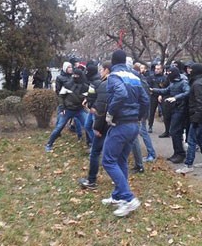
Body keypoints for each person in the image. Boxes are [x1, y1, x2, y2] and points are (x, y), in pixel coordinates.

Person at [101, 49, 149, 217]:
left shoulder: (114, 76)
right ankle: (118, 196)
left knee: (108, 161)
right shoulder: (135, 77)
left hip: (120, 124)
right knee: (121, 160)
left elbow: (120, 93)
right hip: (133, 125)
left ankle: (129, 199)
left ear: (113, 62)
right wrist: (139, 115)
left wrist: (110, 113)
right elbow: (145, 100)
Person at [78, 61, 111, 190]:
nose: (101, 71)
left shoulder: (104, 85)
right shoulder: (120, 83)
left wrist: (97, 127)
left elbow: (101, 109)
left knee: (95, 152)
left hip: (104, 124)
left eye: (102, 69)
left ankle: (91, 181)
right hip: (117, 124)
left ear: (107, 70)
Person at [176, 63, 202, 174]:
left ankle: (188, 164)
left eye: (191, 70)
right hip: (200, 116)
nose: (189, 71)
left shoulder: (197, 84)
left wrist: (196, 118)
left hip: (199, 117)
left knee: (191, 140)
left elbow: (201, 103)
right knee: (200, 138)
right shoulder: (198, 82)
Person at [150, 66, 190, 164]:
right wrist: (153, 90)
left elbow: (188, 92)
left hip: (180, 110)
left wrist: (176, 98)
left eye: (170, 73)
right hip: (174, 109)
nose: (168, 74)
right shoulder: (173, 83)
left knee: (175, 131)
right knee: (174, 132)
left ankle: (180, 154)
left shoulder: (183, 82)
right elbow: (166, 91)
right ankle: (177, 152)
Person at [45, 68, 88, 152]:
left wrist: (86, 100)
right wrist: (62, 108)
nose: (75, 77)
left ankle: (91, 144)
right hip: (67, 110)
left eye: (77, 75)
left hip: (79, 110)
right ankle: (49, 144)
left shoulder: (85, 87)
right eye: (74, 75)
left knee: (88, 126)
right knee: (59, 127)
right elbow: (61, 96)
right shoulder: (68, 85)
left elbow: (88, 97)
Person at [147, 64, 168, 134]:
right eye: (156, 69)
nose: (156, 70)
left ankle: (167, 129)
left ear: (161, 69)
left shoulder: (165, 78)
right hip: (153, 96)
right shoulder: (151, 77)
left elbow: (165, 87)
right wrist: (150, 91)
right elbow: (148, 85)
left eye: (158, 69)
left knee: (165, 112)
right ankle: (150, 126)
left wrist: (161, 94)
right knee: (151, 112)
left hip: (162, 96)